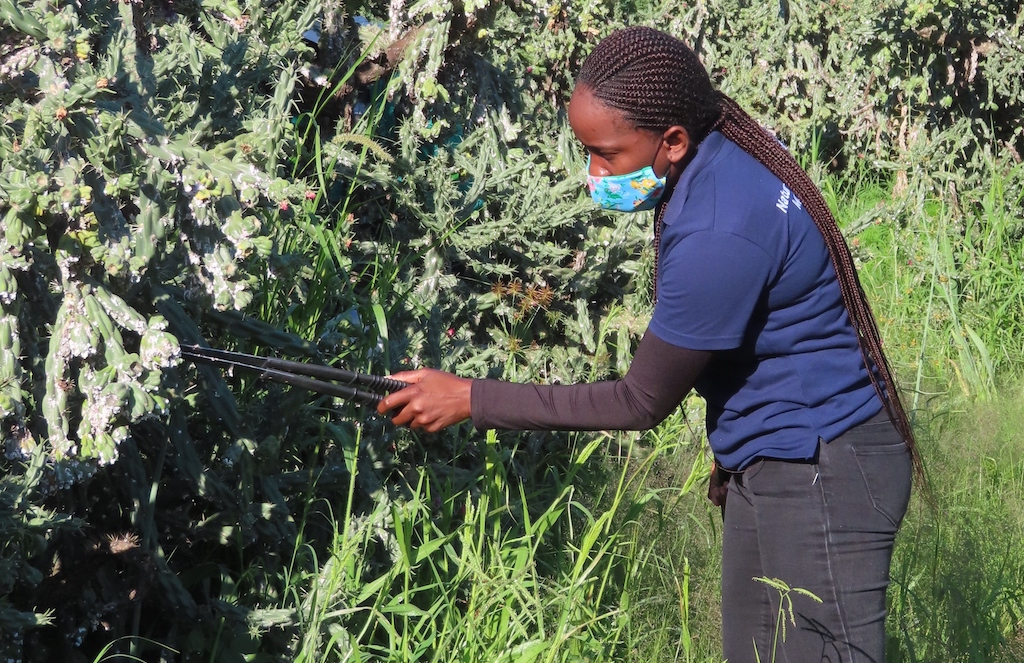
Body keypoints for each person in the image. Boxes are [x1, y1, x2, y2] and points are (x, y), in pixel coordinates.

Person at [377, 26, 916, 663]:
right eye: (586, 154)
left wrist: (471, 397)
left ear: (673, 141)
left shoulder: (719, 229)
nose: (592, 176)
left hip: (825, 463)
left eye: (607, 155)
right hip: (779, 451)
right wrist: (742, 441)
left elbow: (639, 400)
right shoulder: (720, 156)